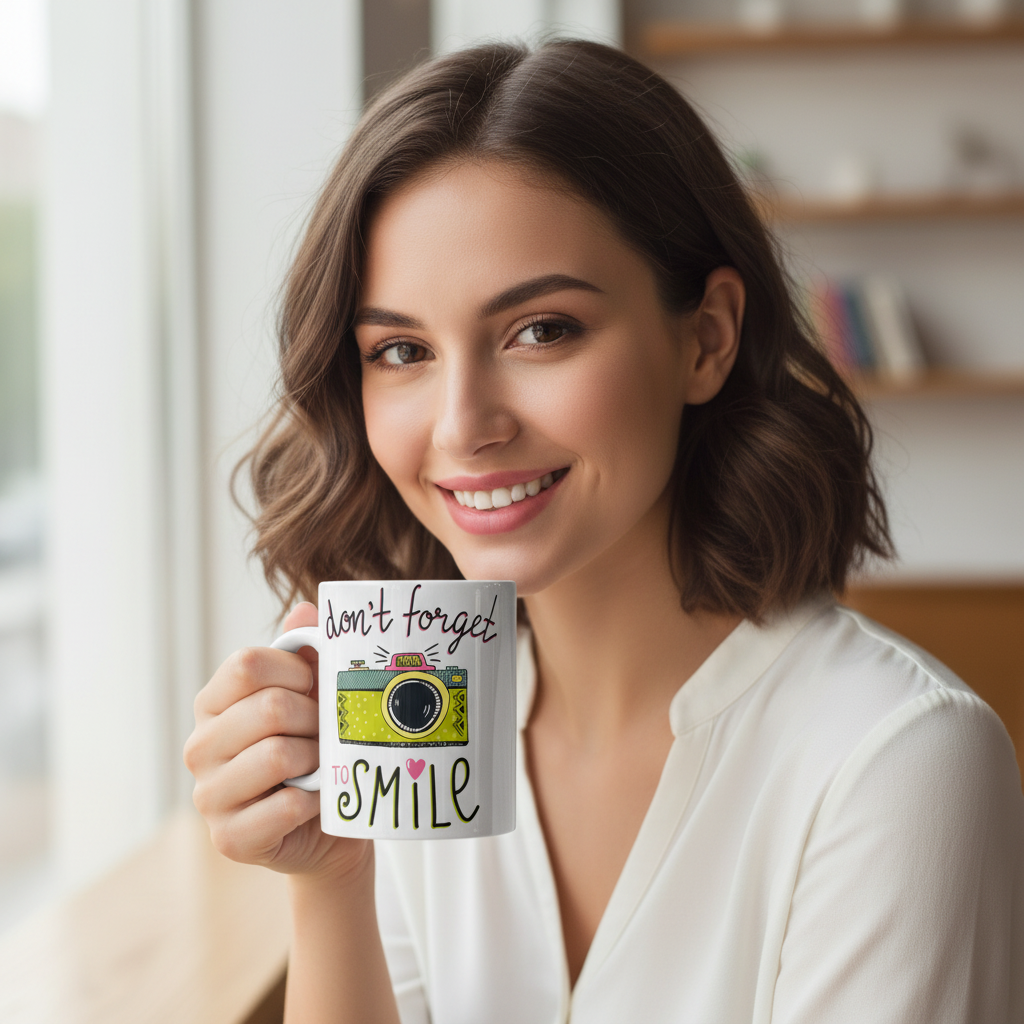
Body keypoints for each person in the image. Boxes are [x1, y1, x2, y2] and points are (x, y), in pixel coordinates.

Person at [183, 39, 1024, 1024]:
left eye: (542, 330)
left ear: (705, 337)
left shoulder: (894, 759)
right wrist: (328, 882)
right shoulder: (419, 726)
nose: (463, 424)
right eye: (401, 349)